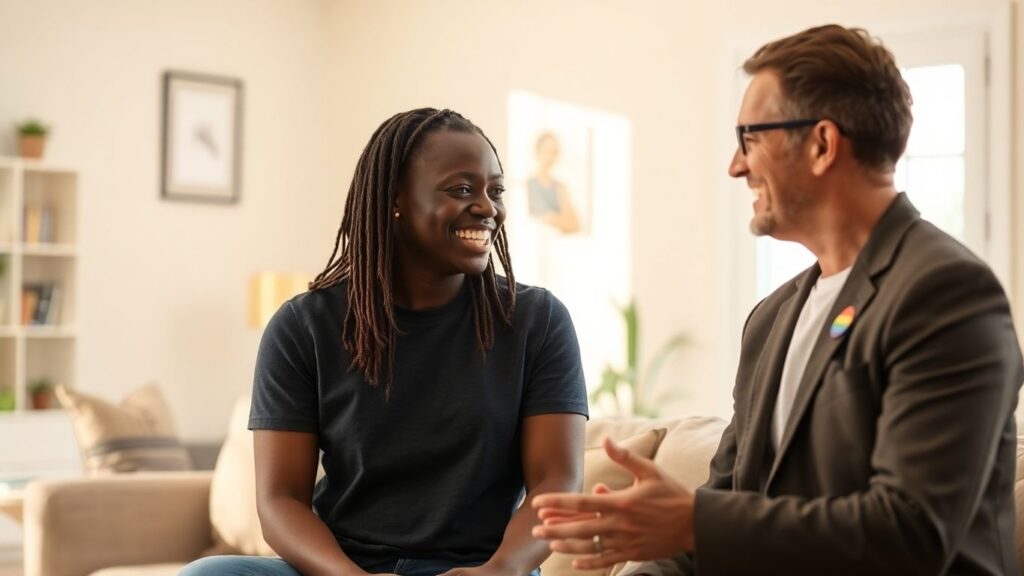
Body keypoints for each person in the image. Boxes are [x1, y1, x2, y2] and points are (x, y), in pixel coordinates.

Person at [531, 24, 1024, 575]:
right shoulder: (771, 320)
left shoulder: (947, 293)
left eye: (750, 139)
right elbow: (726, 510)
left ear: (821, 144)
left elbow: (911, 533)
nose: (736, 166)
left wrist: (694, 520)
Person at [182, 108, 589, 576]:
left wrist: (501, 570)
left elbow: (556, 483)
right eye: (461, 189)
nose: (487, 207)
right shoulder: (303, 327)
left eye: (495, 191)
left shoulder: (537, 321)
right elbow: (280, 501)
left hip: (483, 572)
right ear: (396, 198)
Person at [526, 132, 581, 234]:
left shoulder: (560, 187)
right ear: (537, 152)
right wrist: (559, 220)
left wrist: (552, 219)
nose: (550, 157)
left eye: (554, 152)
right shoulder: (528, 185)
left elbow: (575, 225)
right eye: (547, 151)